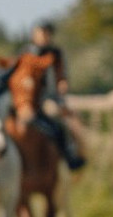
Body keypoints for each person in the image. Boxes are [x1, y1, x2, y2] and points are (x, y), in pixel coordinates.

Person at [23, 21, 86, 170]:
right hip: (28, 98)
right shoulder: (27, 53)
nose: (43, 37)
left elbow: (61, 75)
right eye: (40, 33)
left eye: (46, 34)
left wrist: (62, 83)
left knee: (59, 117)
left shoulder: (55, 53)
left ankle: (69, 153)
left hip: (47, 98)